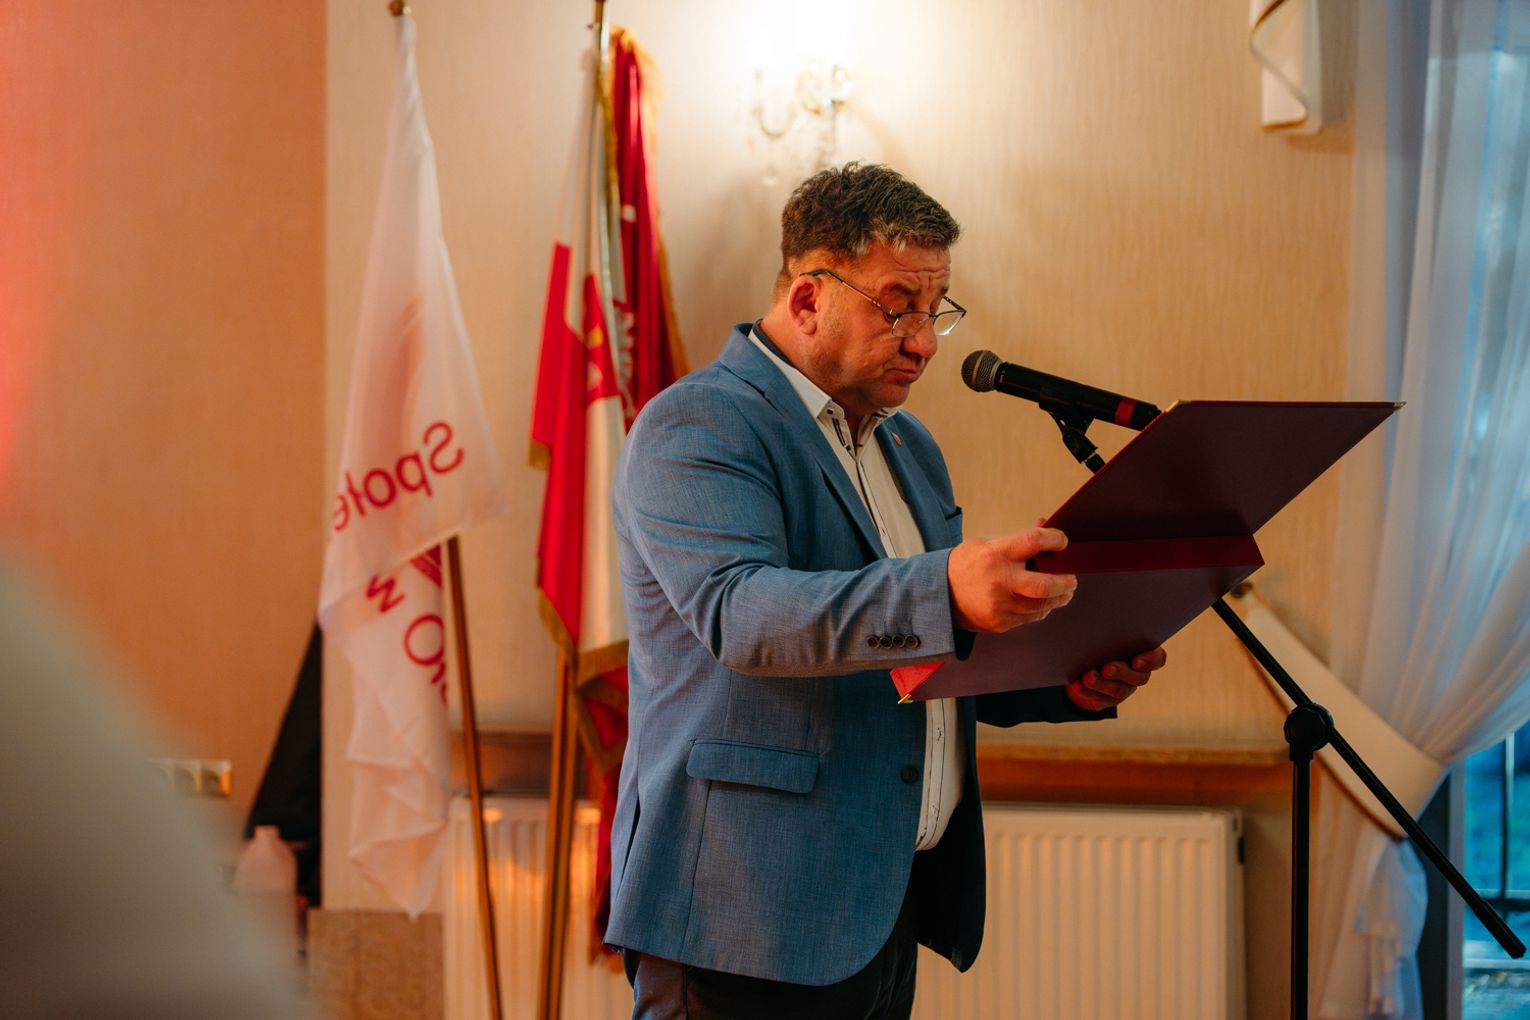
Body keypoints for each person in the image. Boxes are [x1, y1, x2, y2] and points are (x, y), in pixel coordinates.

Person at [605, 163, 1167, 1019]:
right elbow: (742, 614)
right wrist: (946, 590)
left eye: (935, 309)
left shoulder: (909, 447)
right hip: (741, 911)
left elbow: (908, 654)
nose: (925, 341)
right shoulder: (701, 423)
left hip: (877, 903)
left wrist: (1063, 678)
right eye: (898, 305)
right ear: (808, 299)